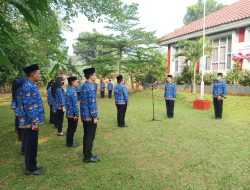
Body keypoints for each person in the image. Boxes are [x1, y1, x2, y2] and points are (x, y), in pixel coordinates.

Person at [19, 64, 45, 175]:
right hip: (30, 122)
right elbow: (28, 107)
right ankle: (30, 168)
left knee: (33, 144)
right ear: (32, 74)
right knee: (30, 145)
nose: (40, 75)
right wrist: (34, 122)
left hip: (33, 121)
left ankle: (33, 165)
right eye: (38, 73)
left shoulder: (31, 85)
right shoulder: (27, 86)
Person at [80, 68, 100, 163]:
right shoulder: (91, 86)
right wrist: (95, 116)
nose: (96, 76)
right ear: (90, 75)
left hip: (85, 115)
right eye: (94, 74)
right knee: (90, 136)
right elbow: (91, 103)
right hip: (90, 117)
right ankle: (88, 157)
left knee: (86, 135)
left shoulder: (84, 85)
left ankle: (87, 154)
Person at [11, 77, 26, 155]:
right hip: (22, 116)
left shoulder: (15, 92)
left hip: (19, 115)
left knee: (22, 133)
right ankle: (24, 149)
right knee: (24, 133)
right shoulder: (20, 92)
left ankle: (23, 149)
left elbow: (13, 106)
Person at [65, 76, 79, 147]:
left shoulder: (69, 89)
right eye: (77, 81)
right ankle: (70, 143)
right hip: (72, 113)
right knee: (72, 129)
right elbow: (74, 104)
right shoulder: (72, 91)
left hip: (69, 112)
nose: (77, 83)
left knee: (70, 128)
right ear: (72, 82)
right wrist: (76, 114)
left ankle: (69, 142)